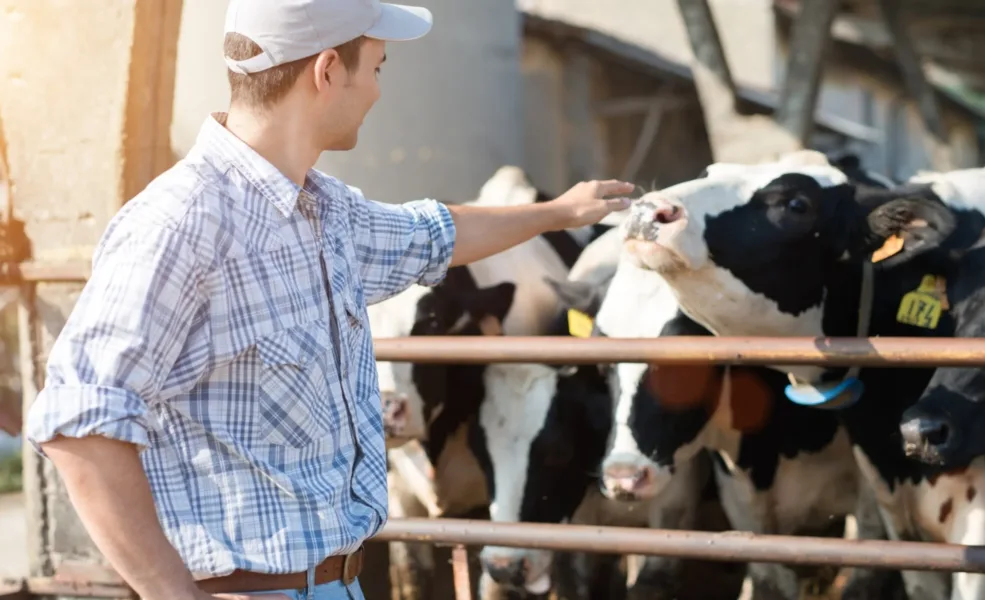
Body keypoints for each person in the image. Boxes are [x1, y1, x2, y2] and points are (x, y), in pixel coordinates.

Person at [22, 1, 634, 599]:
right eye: (377, 67)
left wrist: (557, 212)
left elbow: (438, 233)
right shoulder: (179, 223)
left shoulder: (327, 212)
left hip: (336, 582)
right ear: (326, 71)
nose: (376, 90)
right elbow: (81, 424)